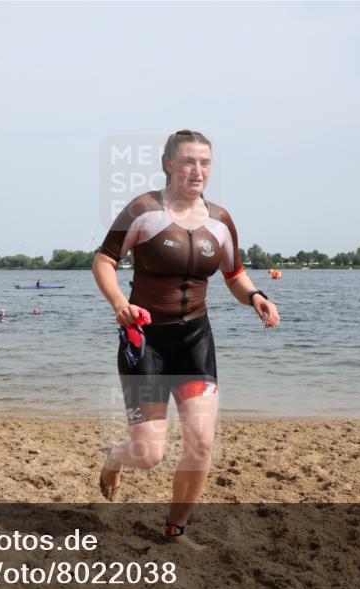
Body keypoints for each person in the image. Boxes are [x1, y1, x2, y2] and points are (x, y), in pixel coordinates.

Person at [93, 130, 280, 547]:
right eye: (189, 162)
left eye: (205, 163)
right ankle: (115, 456)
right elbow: (104, 260)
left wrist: (255, 297)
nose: (197, 170)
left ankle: (176, 529)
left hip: (195, 340)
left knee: (202, 442)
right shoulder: (142, 210)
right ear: (168, 164)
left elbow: (234, 274)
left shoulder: (221, 220)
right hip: (145, 342)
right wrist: (120, 303)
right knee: (149, 454)